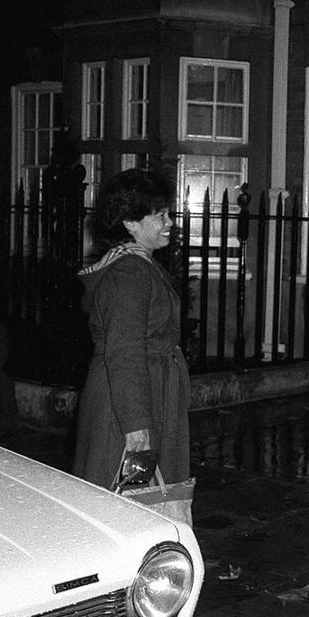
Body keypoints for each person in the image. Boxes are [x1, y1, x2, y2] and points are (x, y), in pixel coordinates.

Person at [72, 169, 191, 492]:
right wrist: (136, 424)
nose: (169, 222)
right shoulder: (128, 273)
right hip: (125, 401)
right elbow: (124, 351)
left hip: (145, 391)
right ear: (130, 223)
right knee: (121, 496)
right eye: (160, 215)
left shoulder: (140, 265)